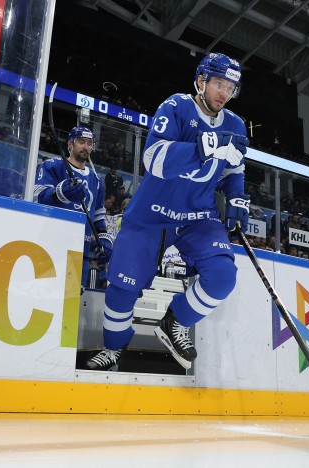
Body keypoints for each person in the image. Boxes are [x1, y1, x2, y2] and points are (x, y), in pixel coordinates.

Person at [84, 52, 250, 372]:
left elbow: (233, 170)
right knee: (122, 288)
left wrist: (237, 198)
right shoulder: (176, 106)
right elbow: (154, 159)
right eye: (219, 84)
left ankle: (175, 321)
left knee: (222, 276)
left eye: (230, 88)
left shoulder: (235, 124)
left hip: (198, 216)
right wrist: (204, 146)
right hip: (152, 214)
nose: (224, 94)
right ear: (201, 81)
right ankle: (114, 347)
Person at [34, 126, 113, 288]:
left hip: (80, 252)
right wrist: (60, 193)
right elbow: (37, 196)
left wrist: (104, 238)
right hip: (49, 245)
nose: (86, 147)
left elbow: (98, 217)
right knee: (43, 292)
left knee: (72, 298)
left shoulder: (96, 180)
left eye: (89, 143)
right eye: (81, 142)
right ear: (70, 144)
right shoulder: (53, 166)